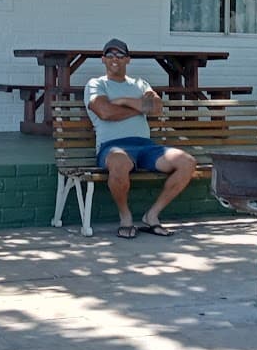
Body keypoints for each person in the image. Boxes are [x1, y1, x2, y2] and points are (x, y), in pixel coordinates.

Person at [84, 38, 196, 238]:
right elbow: (105, 112)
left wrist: (125, 101)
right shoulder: (96, 84)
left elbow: (157, 107)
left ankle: (152, 215)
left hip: (146, 147)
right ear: (103, 59)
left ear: (128, 59)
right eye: (109, 55)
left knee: (187, 162)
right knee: (118, 163)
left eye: (119, 55)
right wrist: (140, 108)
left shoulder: (140, 83)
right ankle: (125, 217)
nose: (114, 59)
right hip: (113, 147)